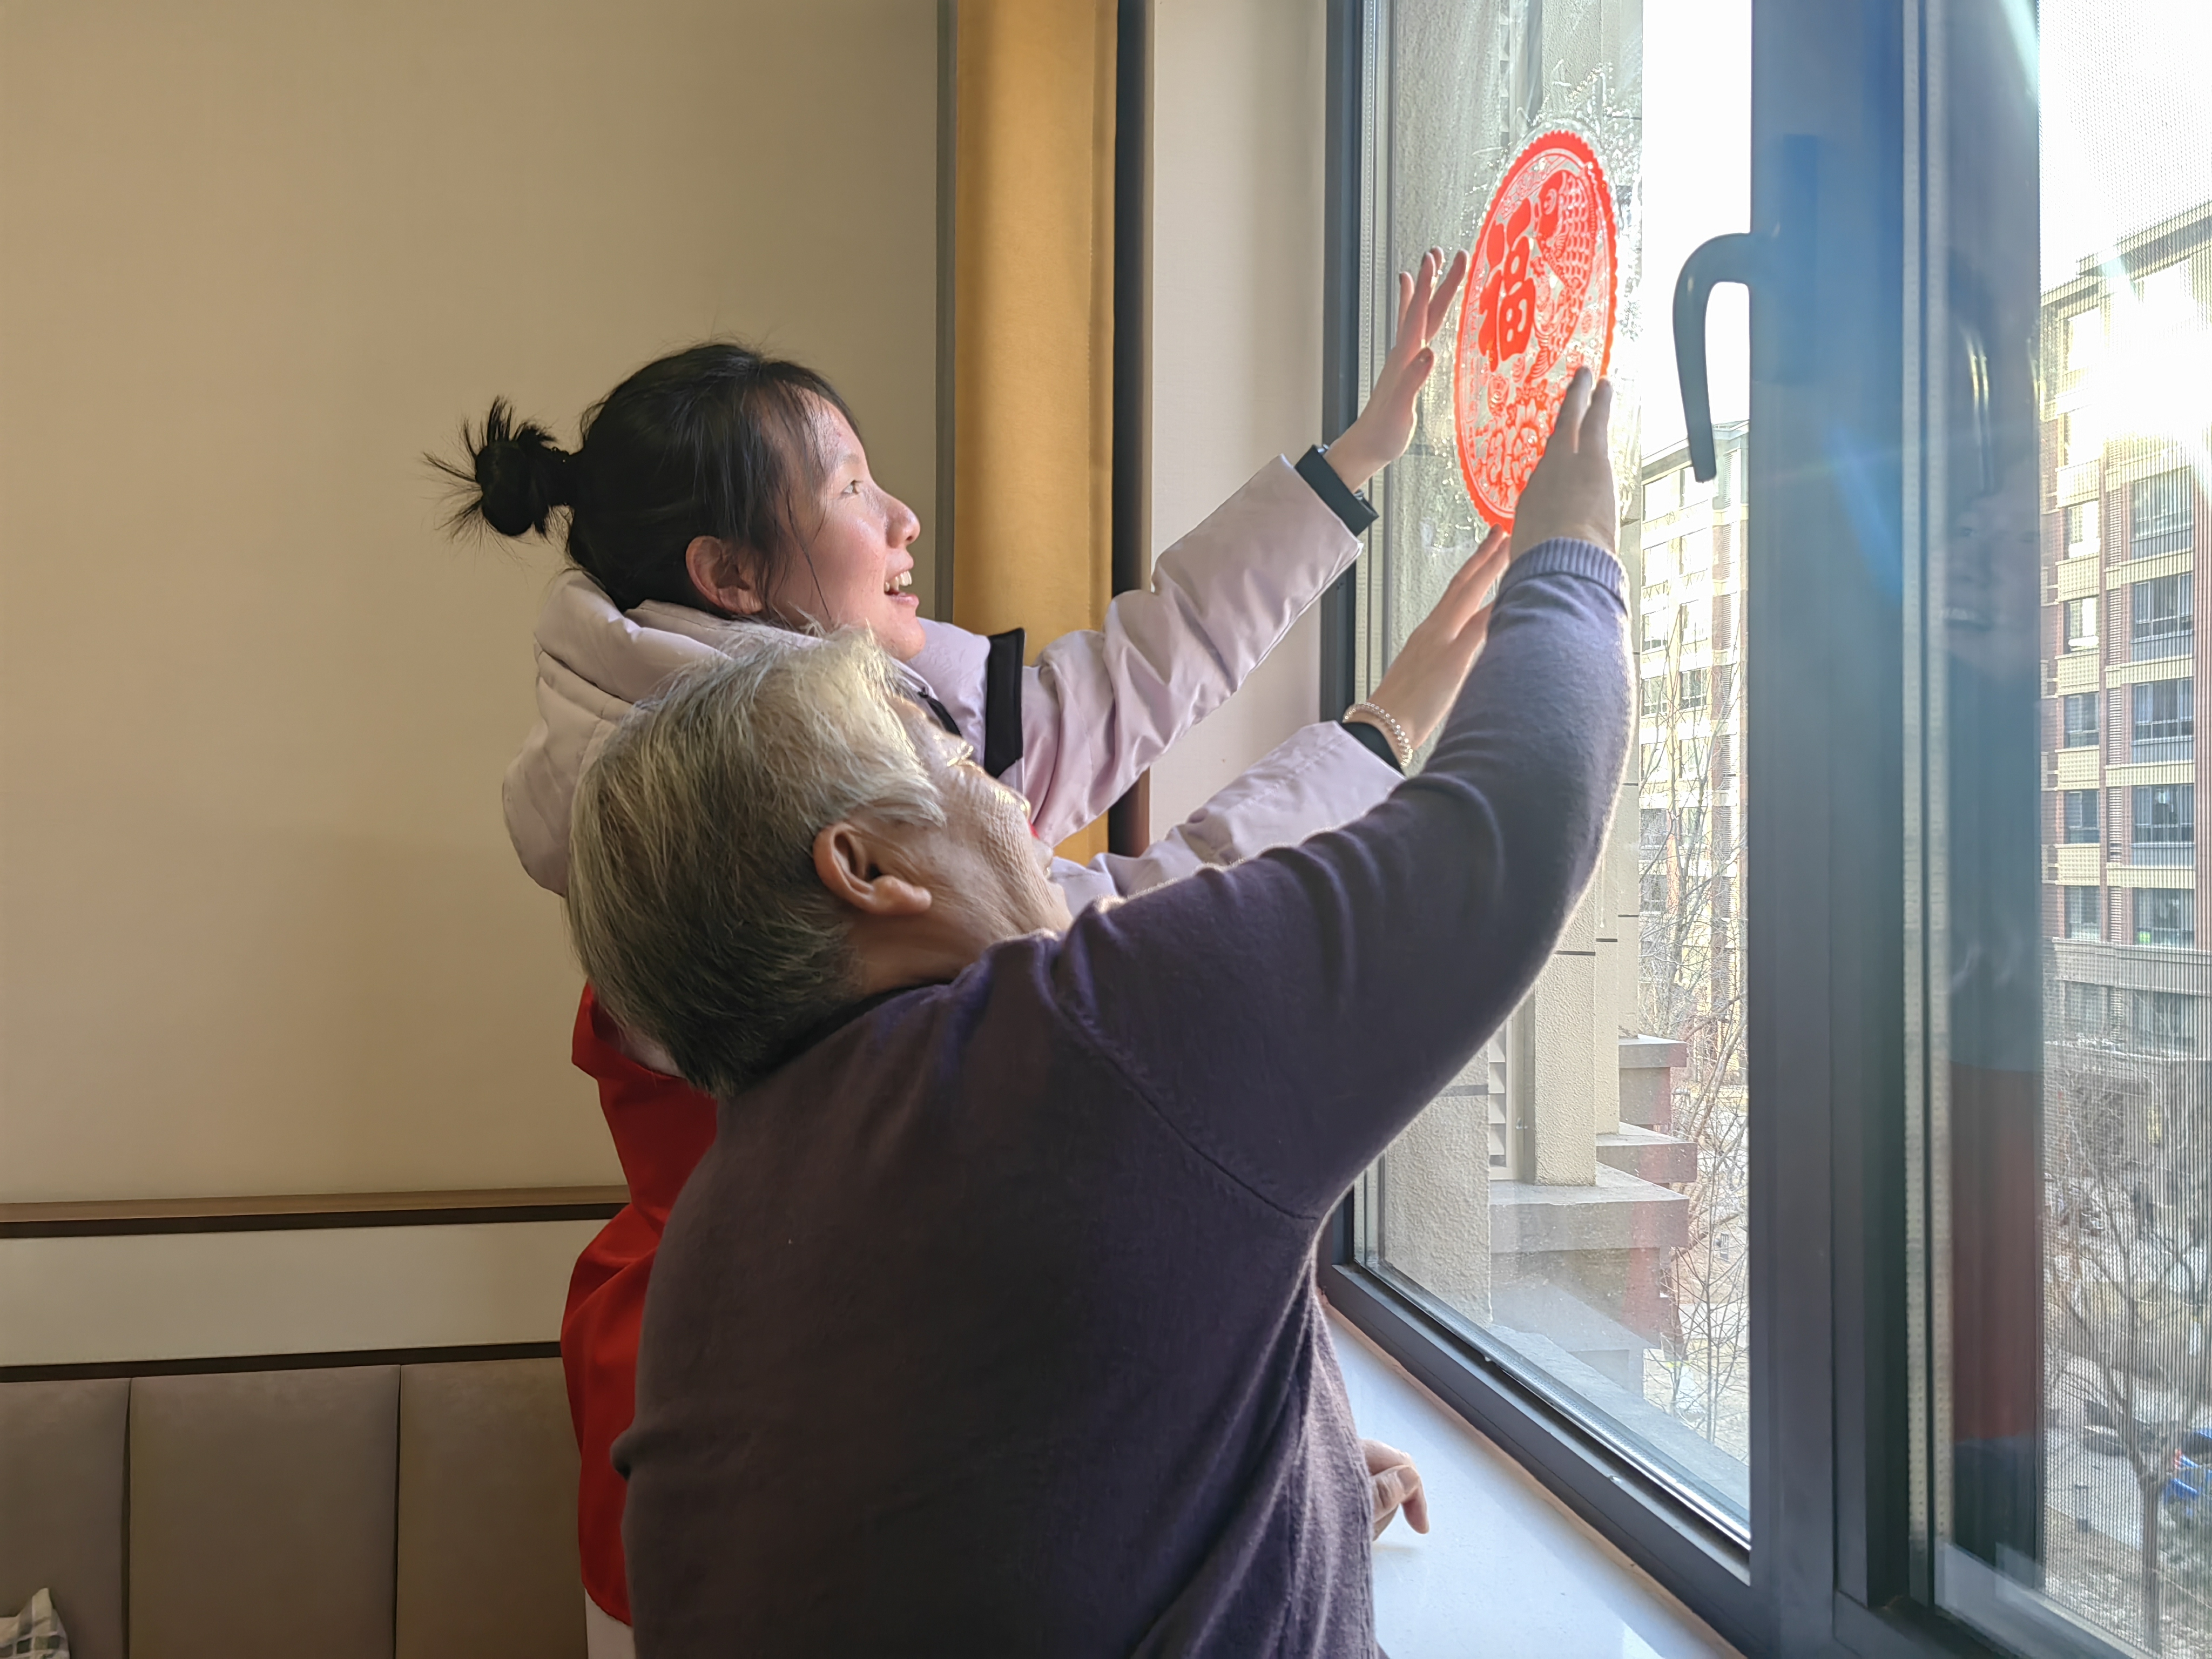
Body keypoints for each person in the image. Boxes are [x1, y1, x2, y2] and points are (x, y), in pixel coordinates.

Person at [446, 254, 1471, 1651]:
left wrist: (1351, 469)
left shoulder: (793, 727)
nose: (902, 517)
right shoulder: (761, 817)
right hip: (775, 1424)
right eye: (852, 488)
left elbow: (1107, 695)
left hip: (834, 1373)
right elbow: (1124, 948)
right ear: (729, 576)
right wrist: (1384, 739)